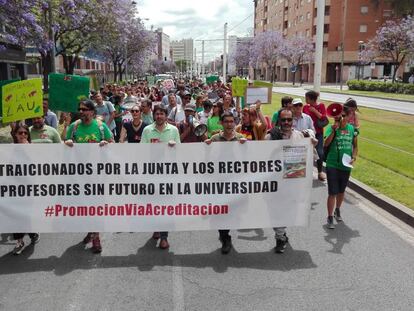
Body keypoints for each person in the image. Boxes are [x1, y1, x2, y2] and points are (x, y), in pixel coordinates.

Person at [64, 99, 114, 253]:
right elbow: (65, 144)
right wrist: (67, 143)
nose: (82, 111)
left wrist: (106, 143)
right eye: (80, 109)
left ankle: (96, 237)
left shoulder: (100, 126)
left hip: (97, 175)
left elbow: (113, 142)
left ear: (92, 111)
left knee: (96, 205)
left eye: (85, 109)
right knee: (84, 206)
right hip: (80, 175)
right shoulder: (74, 127)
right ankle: (90, 231)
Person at [205, 112, 247, 254]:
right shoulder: (215, 139)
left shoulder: (241, 138)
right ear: (221, 124)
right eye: (226, 122)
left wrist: (246, 147)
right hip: (219, 182)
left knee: (234, 211)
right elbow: (207, 160)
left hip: (236, 182)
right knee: (221, 212)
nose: (229, 124)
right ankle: (225, 237)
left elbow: (250, 159)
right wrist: (206, 147)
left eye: (231, 121)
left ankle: (226, 233)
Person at [265, 108, 306, 253]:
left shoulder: (299, 136)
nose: (287, 122)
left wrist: (311, 142)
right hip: (275, 182)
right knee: (276, 211)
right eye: (284, 120)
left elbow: (307, 157)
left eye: (289, 119)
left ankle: (282, 233)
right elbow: (263, 157)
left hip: (293, 181)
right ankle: (280, 237)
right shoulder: (271, 136)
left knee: (289, 211)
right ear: (279, 121)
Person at [141, 105, 181, 249]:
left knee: (165, 205)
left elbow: (180, 151)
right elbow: (141, 151)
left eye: (161, 114)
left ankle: (164, 237)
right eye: (156, 114)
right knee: (154, 204)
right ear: (154, 115)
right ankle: (156, 227)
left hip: (168, 174)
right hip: (152, 174)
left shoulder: (174, 130)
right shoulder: (147, 130)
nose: (159, 116)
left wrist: (174, 146)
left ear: (166, 116)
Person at [324, 105, 358, 229]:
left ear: (349, 117)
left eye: (345, 116)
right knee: (332, 191)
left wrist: (354, 156)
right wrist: (333, 130)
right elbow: (326, 143)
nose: (342, 118)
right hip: (332, 163)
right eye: (340, 116)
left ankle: (337, 209)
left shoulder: (352, 129)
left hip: (346, 165)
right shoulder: (331, 128)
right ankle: (329, 217)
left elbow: (355, 146)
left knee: (341, 190)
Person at [10, 124, 40, 255]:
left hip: (29, 187)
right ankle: (19, 241)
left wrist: (28, 149)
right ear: (15, 134)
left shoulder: (32, 148)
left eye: (25, 133)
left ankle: (32, 232)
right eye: (20, 133)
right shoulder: (8, 149)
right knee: (15, 214)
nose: (23, 135)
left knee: (26, 214)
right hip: (12, 188)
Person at [303, 90, 327, 181]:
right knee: (307, 153)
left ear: (311, 99)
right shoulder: (305, 107)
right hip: (307, 134)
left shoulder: (321, 106)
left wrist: (315, 111)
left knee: (320, 152)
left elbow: (324, 118)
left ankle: (320, 172)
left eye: (307, 98)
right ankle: (306, 172)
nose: (305, 99)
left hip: (318, 133)